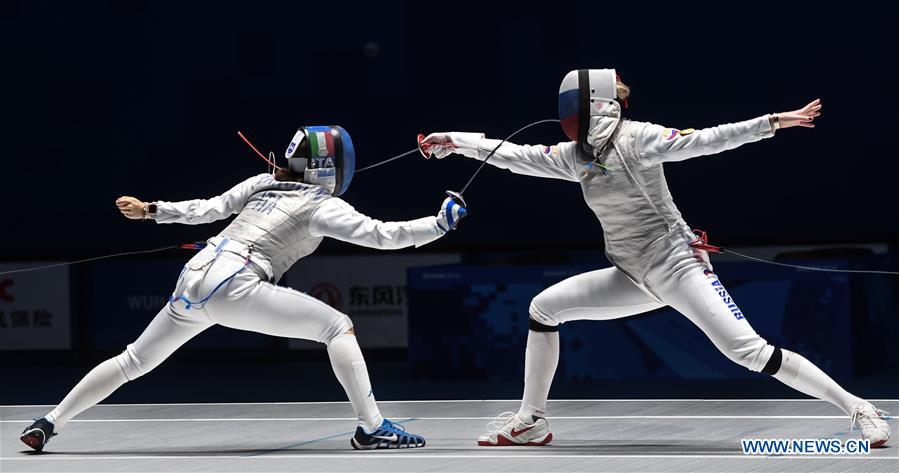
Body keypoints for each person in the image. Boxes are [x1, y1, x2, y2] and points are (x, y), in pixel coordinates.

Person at [421, 69, 890, 448]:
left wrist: (770, 122)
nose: (566, 117)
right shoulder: (573, 156)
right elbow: (515, 155)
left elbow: (707, 139)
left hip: (678, 267)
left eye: (572, 108)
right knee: (543, 309)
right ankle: (531, 421)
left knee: (748, 352)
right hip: (630, 275)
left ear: (595, 106)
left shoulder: (639, 138)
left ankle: (859, 407)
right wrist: (455, 141)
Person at [20, 125, 467, 452]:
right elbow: (383, 235)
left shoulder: (262, 185)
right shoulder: (320, 205)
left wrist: (153, 209)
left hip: (195, 275)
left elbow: (206, 209)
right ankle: (371, 428)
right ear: (331, 168)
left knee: (134, 359)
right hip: (235, 281)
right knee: (338, 326)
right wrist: (441, 224)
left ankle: (49, 421)